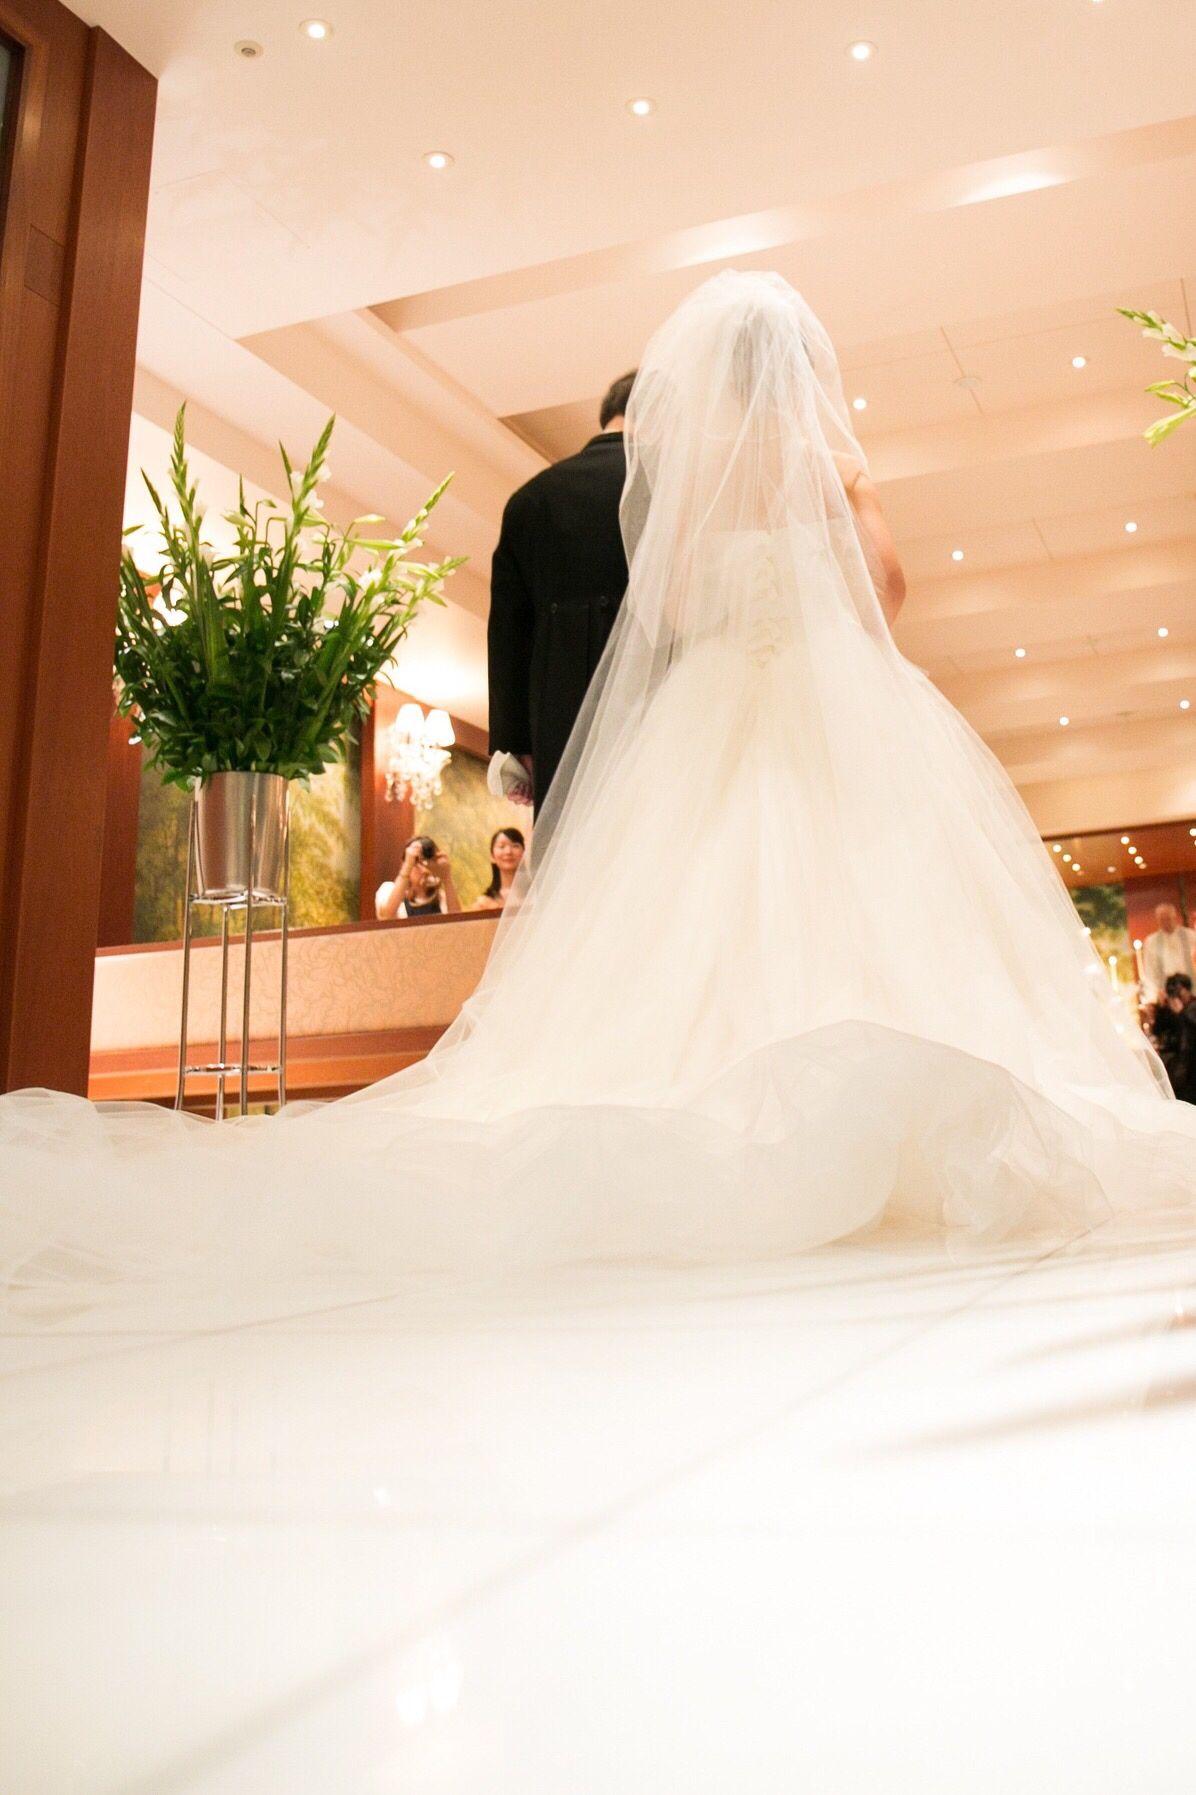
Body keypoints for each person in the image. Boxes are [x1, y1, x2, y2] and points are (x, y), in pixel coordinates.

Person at [2, 270, 1195, 1324]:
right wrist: (855, 503)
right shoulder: (829, 466)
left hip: (714, 704)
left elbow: (667, 609)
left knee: (684, 914)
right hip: (832, 699)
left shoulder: (687, 475)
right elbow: (882, 597)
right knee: (866, 887)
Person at [487, 371, 634, 811]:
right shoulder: (666, 488)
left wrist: (516, 745)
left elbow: (508, 632)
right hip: (645, 695)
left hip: (557, 710)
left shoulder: (530, 498)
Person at [375, 836, 461, 920]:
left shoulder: (442, 898)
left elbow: (457, 923)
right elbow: (386, 915)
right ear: (404, 863)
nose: (424, 869)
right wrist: (408, 866)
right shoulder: (389, 889)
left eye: (426, 861)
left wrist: (446, 877)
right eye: (417, 862)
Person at [1141, 902, 1196, 1003]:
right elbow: (1149, 971)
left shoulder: (1191, 936)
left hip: (1191, 990)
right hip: (1166, 994)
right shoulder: (1151, 942)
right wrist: (1153, 996)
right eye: (1161, 920)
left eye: (1168, 918)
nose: (1165, 922)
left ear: (1175, 917)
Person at [1156, 973, 1196, 1103]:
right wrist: (1161, 1007)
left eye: (1179, 990)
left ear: (1187, 989)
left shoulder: (1193, 1006)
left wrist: (1181, 1014)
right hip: (1182, 1062)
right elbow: (1158, 1030)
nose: (1177, 994)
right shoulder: (1173, 1008)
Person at [471, 827, 526, 911]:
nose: (508, 851)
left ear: (524, 853)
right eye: (502, 846)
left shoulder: (537, 893)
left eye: (515, 846)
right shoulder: (483, 903)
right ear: (492, 856)